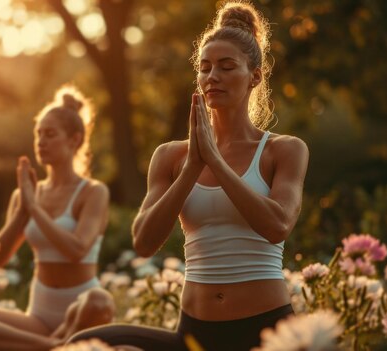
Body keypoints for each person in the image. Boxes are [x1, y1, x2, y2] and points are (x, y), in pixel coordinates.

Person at [67, 1, 309, 350]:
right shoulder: (172, 156)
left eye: (227, 67)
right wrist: (194, 167)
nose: (213, 76)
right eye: (205, 68)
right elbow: (144, 242)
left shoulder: (284, 150)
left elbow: (277, 225)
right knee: (85, 344)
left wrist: (215, 161)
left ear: (254, 75)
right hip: (193, 334)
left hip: (265, 331)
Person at [0, 86, 115, 351]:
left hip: (83, 314)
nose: (41, 142)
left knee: (100, 300)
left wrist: (34, 208)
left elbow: (77, 249)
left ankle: (57, 342)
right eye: (38, 134)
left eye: (50, 134)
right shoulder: (24, 197)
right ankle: (52, 345)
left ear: (75, 140)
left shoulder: (93, 192)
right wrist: (23, 211)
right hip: (38, 319)